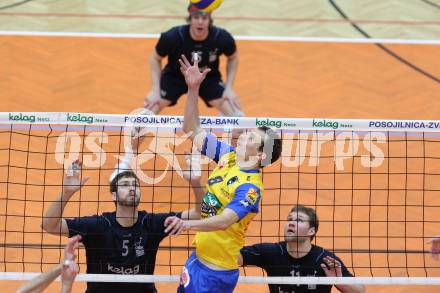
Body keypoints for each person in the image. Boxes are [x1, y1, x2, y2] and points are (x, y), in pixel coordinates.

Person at [163, 55, 282, 293]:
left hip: (215, 273)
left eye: (251, 137)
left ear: (260, 156)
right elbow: (191, 129)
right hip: (198, 260)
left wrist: (186, 224)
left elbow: (226, 220)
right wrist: (193, 88)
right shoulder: (228, 157)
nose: (242, 136)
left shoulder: (250, 189)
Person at [41, 142, 202, 293]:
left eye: (135, 185)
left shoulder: (151, 223)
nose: (132, 188)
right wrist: (66, 193)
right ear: (114, 195)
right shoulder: (97, 226)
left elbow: (200, 214)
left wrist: (196, 183)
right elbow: (49, 225)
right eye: (125, 185)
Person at [238, 204, 365, 293]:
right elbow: (233, 258)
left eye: (299, 220)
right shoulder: (271, 252)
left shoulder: (325, 260)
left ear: (311, 231)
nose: (291, 223)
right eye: (289, 219)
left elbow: (360, 291)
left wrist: (339, 280)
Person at [144, 2, 242, 117]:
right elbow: (155, 58)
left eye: (204, 18)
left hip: (207, 78)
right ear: (190, 19)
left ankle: (227, 118)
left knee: (236, 117)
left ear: (209, 20)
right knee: (150, 109)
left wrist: (229, 88)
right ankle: (139, 127)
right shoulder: (173, 36)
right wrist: (155, 89)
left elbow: (233, 57)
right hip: (176, 77)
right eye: (196, 17)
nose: (200, 22)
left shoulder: (221, 38)